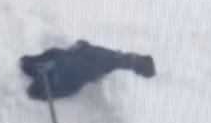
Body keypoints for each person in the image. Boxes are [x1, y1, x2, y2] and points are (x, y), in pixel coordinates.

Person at [19, 40, 155, 100]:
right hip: (66, 68)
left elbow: (84, 53)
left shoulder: (112, 60)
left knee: (37, 89)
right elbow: (86, 48)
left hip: (66, 72)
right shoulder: (111, 57)